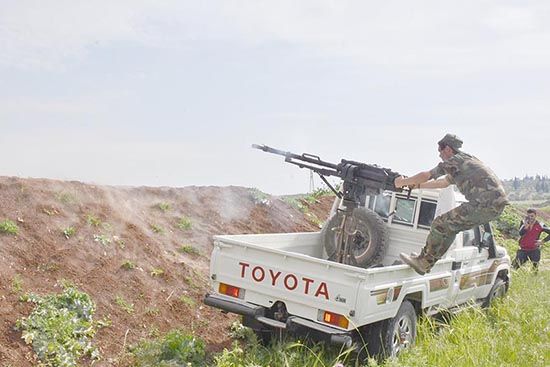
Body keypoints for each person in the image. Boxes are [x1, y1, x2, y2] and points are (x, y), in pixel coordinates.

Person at [394, 133, 509, 275]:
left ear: (448, 149)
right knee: (449, 227)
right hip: (493, 206)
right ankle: (426, 261)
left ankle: (424, 262)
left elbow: (427, 175)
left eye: (440, 151)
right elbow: (443, 183)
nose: (439, 155)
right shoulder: (465, 161)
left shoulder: (455, 161)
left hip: (483, 204)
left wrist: (402, 182)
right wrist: (417, 186)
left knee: (439, 224)